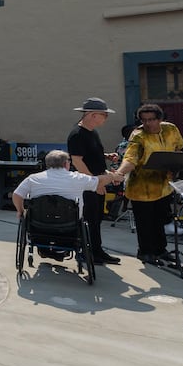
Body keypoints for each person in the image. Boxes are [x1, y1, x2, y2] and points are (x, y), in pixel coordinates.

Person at [13, 150, 124, 259]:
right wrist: (112, 176)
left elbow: (17, 195)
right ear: (66, 164)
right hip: (70, 228)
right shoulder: (78, 178)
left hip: (38, 227)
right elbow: (99, 181)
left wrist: (20, 211)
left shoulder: (33, 179)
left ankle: (45, 250)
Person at [113, 103, 183, 265]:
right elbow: (130, 159)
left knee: (159, 220)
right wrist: (119, 173)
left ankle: (161, 250)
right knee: (145, 222)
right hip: (141, 187)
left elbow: (178, 148)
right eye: (144, 120)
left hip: (163, 185)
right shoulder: (138, 136)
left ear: (160, 119)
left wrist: (176, 166)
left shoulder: (171, 129)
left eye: (151, 119)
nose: (147, 123)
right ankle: (145, 252)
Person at [66, 97, 122, 265]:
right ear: (91, 115)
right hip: (87, 184)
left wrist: (104, 156)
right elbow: (77, 161)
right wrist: (95, 183)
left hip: (96, 181)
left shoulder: (92, 132)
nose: (106, 117)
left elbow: (89, 154)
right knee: (89, 219)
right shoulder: (77, 134)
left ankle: (97, 250)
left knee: (96, 218)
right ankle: (88, 251)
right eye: (103, 114)